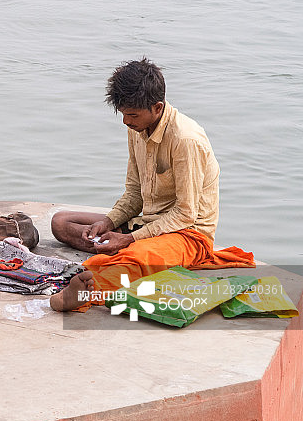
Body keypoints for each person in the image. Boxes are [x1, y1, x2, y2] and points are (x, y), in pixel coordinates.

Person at [49, 59, 253, 311]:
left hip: (187, 233)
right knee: (61, 223)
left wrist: (130, 239)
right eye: (123, 114)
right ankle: (124, 251)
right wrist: (109, 222)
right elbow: (134, 193)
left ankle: (83, 294)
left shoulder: (186, 140)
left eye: (132, 115)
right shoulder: (136, 129)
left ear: (157, 108)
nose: (126, 121)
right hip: (148, 224)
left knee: (137, 258)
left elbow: (185, 214)